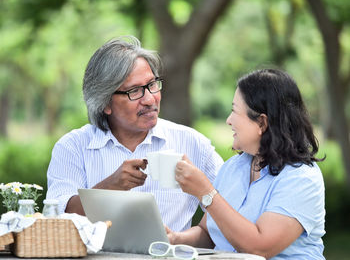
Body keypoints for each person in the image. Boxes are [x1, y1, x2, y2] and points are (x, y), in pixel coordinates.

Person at [46, 36, 223, 232]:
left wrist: (194, 235)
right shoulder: (73, 147)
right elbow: (57, 218)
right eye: (135, 91)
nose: (149, 99)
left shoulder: (192, 143)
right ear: (105, 103)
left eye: (152, 85)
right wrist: (111, 186)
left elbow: (233, 205)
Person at [170, 69, 325, 259]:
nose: (228, 120)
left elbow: (259, 248)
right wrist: (175, 238)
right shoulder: (233, 168)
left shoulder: (301, 178)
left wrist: (206, 193)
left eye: (235, 111)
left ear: (262, 123)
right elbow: (208, 233)